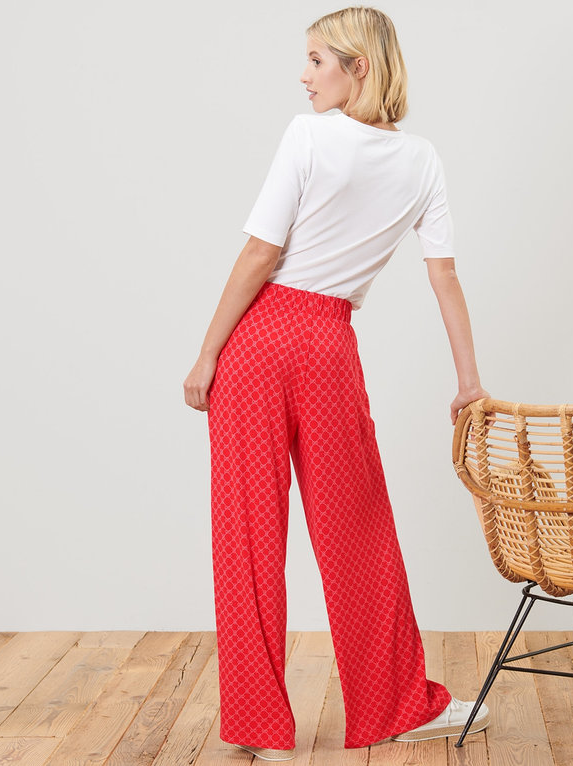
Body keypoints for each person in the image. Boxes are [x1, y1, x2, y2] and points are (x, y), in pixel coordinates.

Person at [183, 6, 490, 762]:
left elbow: (261, 255)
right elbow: (443, 276)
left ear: (359, 66)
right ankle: (396, 705)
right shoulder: (423, 160)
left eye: (317, 59)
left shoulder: (308, 135)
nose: (303, 74)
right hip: (327, 345)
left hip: (259, 341)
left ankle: (259, 728)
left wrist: (205, 354)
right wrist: (469, 380)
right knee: (358, 527)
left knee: (247, 535)